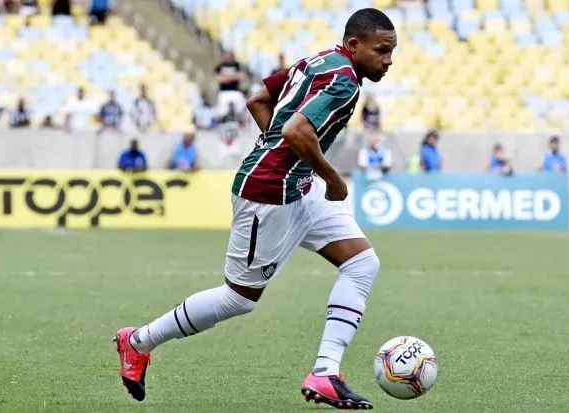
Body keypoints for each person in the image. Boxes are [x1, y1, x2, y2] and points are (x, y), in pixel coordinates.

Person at [113, 8, 396, 410]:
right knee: (239, 299)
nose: (387, 61)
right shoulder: (344, 81)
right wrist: (331, 178)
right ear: (354, 46)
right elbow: (295, 130)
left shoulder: (317, 61)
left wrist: (288, 159)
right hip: (267, 194)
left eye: (391, 52)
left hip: (297, 186)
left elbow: (258, 99)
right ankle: (137, 341)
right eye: (381, 51)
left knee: (362, 263)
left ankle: (325, 373)